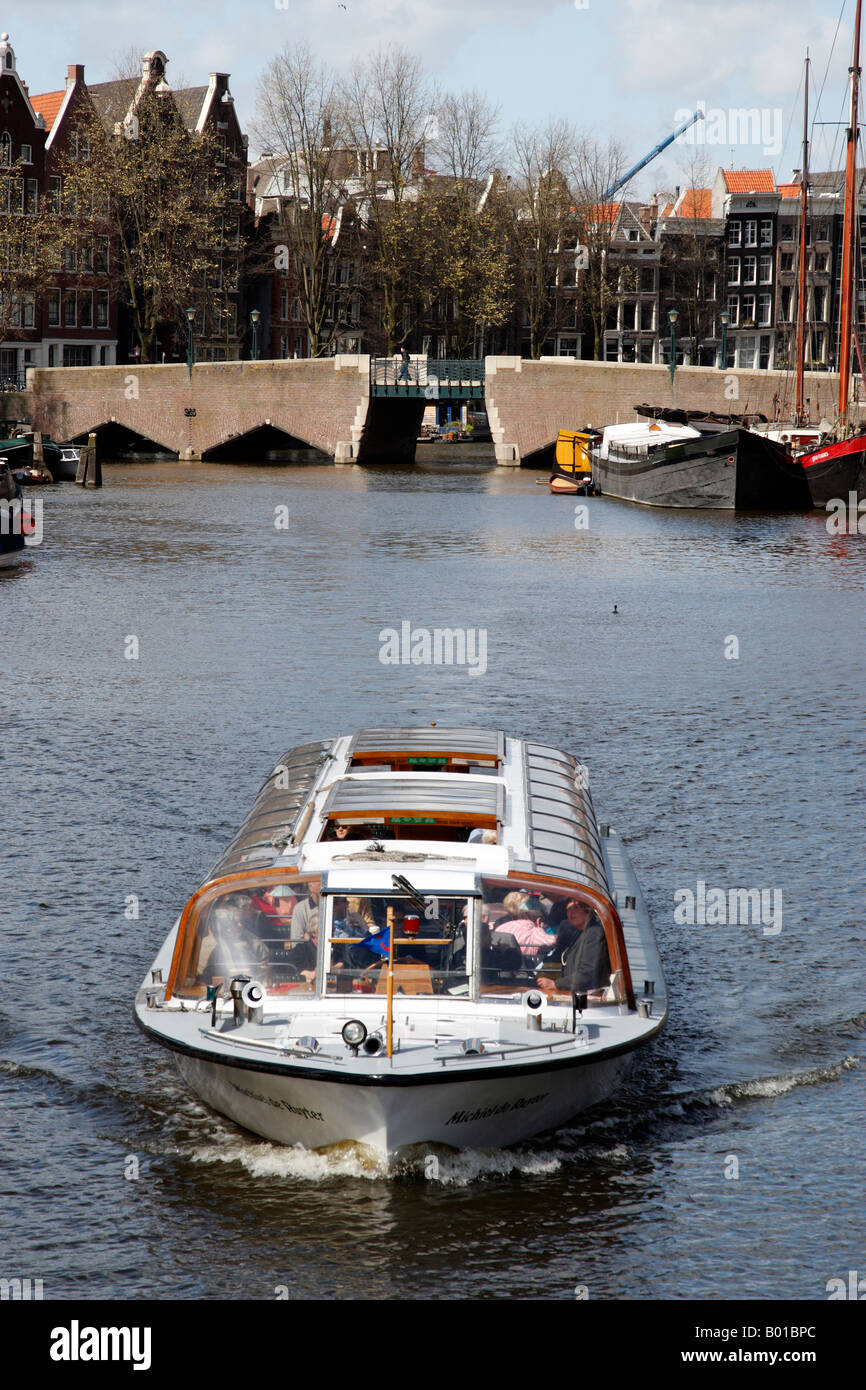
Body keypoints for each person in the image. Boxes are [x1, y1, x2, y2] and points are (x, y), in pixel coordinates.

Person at [537, 900, 610, 995]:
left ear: (587, 910)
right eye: (568, 909)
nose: (571, 913)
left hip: (588, 997)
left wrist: (556, 984)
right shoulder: (579, 932)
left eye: (576, 908)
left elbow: (588, 972)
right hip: (576, 993)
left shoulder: (594, 933)